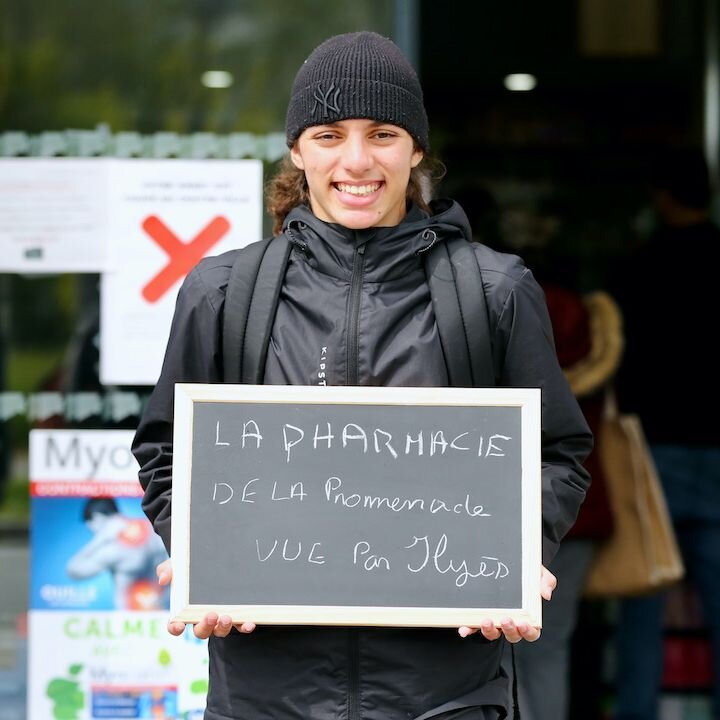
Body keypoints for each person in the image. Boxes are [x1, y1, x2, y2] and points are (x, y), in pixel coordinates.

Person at [132, 31, 592, 720]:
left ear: (415, 150)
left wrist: (516, 556)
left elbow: (559, 451)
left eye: (382, 133)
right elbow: (165, 448)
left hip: (447, 692)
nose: (357, 160)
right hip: (266, 692)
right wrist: (199, 552)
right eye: (328, 134)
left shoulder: (492, 292)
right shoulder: (224, 292)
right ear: (297, 150)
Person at [612, 149, 720, 720]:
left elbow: (619, 359)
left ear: (662, 196)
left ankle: (636, 711)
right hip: (717, 448)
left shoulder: (639, 266)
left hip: (653, 449)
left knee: (642, 597)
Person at [66, 497, 168, 610]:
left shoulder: (114, 548)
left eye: (92, 527)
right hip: (162, 613)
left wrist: (99, 540)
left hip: (131, 620)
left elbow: (73, 570)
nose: (94, 532)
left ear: (97, 517)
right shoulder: (150, 527)